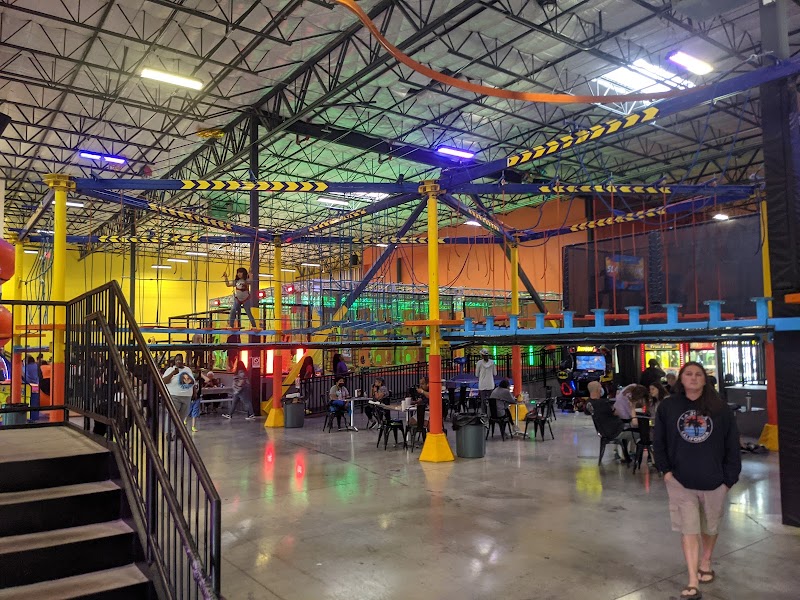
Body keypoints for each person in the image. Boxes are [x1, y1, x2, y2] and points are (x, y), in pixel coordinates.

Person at [653, 362, 741, 600]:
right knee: (689, 530)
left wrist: (729, 480)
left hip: (715, 481)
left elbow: (732, 445)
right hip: (680, 481)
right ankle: (693, 581)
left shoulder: (720, 408)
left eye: (698, 374)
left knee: (710, 527)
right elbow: (658, 442)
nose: (693, 378)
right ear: (681, 379)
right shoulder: (668, 406)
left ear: (705, 379)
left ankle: (706, 561)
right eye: (688, 374)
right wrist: (666, 472)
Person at [162, 354, 196, 438]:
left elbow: (193, 382)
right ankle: (169, 433)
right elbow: (164, 381)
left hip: (187, 396)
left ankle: (178, 432)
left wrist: (194, 393)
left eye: (180, 360)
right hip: (174, 396)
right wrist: (173, 373)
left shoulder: (187, 369)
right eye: (177, 360)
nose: (179, 361)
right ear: (174, 361)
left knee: (182, 416)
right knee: (172, 415)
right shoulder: (170, 369)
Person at [23, 355, 40, 421]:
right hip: (36, 386)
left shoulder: (25, 368)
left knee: (29, 401)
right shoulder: (37, 366)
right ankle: (35, 417)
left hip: (28, 386)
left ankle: (29, 417)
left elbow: (23, 377)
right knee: (35, 402)